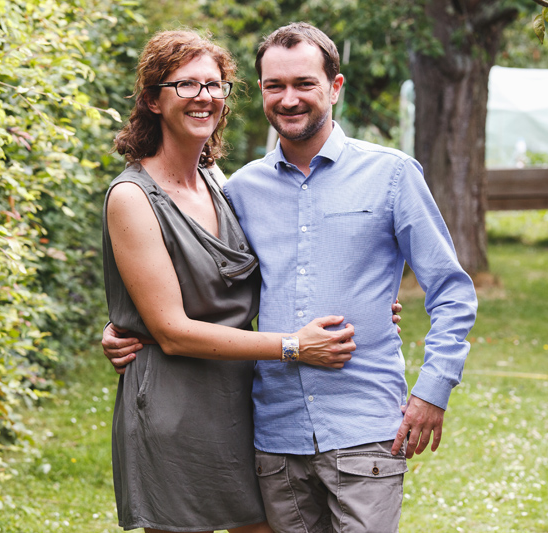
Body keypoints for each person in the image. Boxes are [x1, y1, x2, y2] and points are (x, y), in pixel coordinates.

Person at [105, 22, 477, 533]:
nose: (290, 99)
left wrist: (432, 389)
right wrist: (128, 329)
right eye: (275, 86)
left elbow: (451, 292)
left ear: (335, 87)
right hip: (273, 436)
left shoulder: (391, 175)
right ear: (260, 92)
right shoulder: (240, 191)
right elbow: (195, 285)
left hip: (363, 428)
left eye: (305, 83)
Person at [102, 30, 359, 533]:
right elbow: (171, 329)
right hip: (175, 408)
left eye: (214, 84)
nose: (204, 97)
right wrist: (293, 346)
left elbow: (281, 267)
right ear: (153, 100)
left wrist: (363, 303)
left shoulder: (222, 181)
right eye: (185, 85)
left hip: (244, 402)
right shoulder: (132, 197)